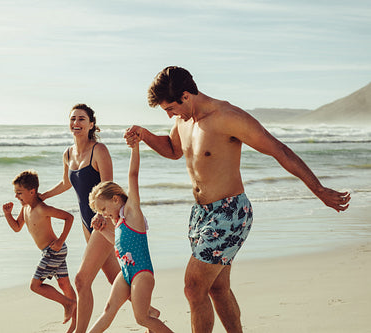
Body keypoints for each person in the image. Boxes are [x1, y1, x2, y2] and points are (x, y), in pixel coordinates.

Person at [124, 66, 351, 333]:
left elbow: (278, 149)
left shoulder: (227, 116)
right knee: (218, 288)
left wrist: (319, 189)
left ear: (186, 96)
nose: (171, 115)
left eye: (170, 108)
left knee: (194, 287)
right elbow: (175, 150)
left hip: (230, 213)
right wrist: (145, 135)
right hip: (201, 215)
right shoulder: (182, 121)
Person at [41, 104, 159, 332]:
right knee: (117, 276)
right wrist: (43, 195)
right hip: (87, 224)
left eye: (81, 119)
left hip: (101, 222)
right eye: (73, 118)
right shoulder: (67, 153)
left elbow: (108, 188)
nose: (76, 123)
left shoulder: (99, 150)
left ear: (91, 124)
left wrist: (100, 218)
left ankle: (80, 331)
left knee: (81, 280)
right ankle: (150, 313)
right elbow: (67, 183)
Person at [87, 141, 173, 333]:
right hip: (126, 273)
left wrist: (135, 148)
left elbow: (132, 175)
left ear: (116, 199)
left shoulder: (132, 212)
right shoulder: (118, 222)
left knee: (142, 318)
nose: (103, 214)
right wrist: (102, 230)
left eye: (103, 209)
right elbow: (118, 247)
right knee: (108, 310)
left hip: (141, 273)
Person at [2, 170, 77, 333]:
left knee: (35, 286)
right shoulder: (25, 208)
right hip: (49, 251)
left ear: (32, 191)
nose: (16, 197)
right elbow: (16, 227)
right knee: (64, 284)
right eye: (15, 193)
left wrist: (60, 240)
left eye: (19, 193)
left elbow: (69, 218)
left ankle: (68, 304)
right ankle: (74, 323)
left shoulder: (43, 208)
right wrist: (8, 215)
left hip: (54, 250)